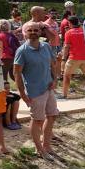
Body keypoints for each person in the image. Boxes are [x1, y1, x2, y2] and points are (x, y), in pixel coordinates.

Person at [14, 21, 59, 159]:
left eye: (35, 30)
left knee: (52, 116)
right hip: (35, 91)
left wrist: (55, 79)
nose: (33, 32)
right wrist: (22, 93)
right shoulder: (22, 51)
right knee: (37, 120)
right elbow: (17, 73)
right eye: (30, 30)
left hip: (48, 87)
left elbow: (53, 64)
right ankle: (39, 149)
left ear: (40, 32)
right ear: (25, 34)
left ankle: (46, 145)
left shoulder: (46, 46)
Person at [59, 16, 85, 99]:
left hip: (73, 58)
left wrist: (63, 59)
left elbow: (66, 47)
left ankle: (64, 94)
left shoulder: (68, 33)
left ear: (70, 23)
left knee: (66, 75)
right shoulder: (84, 31)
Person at [0, 19, 18, 85]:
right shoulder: (11, 35)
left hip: (5, 58)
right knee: (13, 75)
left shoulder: (0, 36)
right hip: (13, 57)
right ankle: (23, 88)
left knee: (3, 77)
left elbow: (0, 48)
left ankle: (5, 92)